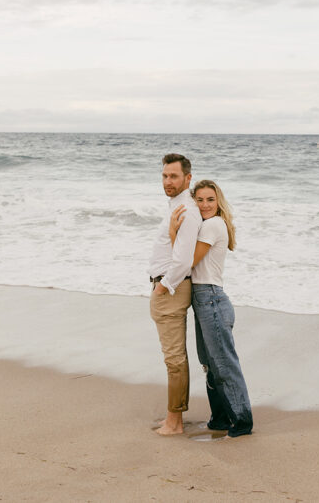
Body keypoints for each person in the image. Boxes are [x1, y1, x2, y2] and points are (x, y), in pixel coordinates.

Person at [170, 179, 253, 438]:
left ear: (219, 203)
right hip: (203, 299)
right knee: (209, 363)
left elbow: (188, 261)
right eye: (200, 200)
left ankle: (241, 422)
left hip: (211, 299)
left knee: (224, 363)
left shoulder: (214, 225)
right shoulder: (205, 226)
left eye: (210, 200)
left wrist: (174, 233)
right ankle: (219, 418)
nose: (205, 205)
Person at [147, 153, 202, 436]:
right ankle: (174, 418)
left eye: (174, 176)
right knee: (174, 357)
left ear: (187, 178)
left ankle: (175, 423)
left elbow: (182, 260)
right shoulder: (177, 206)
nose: (168, 181)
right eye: (165, 176)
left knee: (174, 357)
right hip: (169, 286)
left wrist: (163, 286)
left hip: (172, 288)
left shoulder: (187, 210)